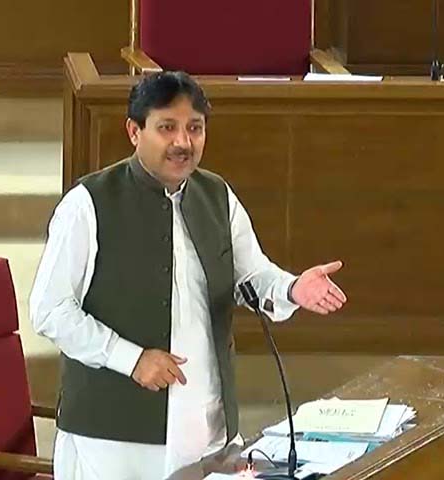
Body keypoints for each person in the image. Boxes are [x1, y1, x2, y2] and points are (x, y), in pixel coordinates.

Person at [29, 71, 347, 480]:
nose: (183, 142)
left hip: (206, 424)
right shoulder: (88, 204)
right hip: (115, 437)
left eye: (194, 128)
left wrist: (292, 288)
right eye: (167, 128)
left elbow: (252, 275)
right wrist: (130, 358)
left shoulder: (217, 196)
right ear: (134, 131)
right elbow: (50, 310)